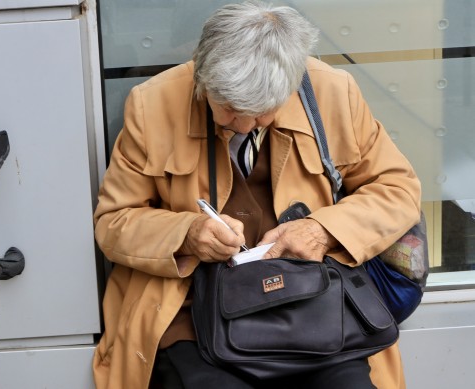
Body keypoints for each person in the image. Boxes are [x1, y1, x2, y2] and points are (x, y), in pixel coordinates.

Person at [92, 1, 421, 388]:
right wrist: (187, 234)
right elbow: (114, 222)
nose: (245, 124)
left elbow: (397, 190)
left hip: (317, 310)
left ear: (294, 83)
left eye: (263, 112)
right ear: (202, 78)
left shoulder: (334, 91)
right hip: (195, 316)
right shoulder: (153, 104)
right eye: (229, 109)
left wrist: (321, 230)